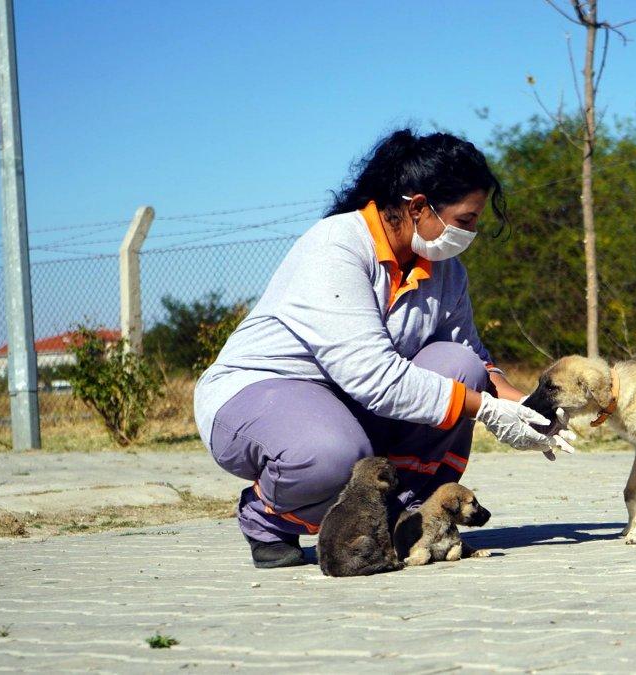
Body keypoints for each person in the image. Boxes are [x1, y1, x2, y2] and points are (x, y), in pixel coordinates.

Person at [194, 129, 574, 568]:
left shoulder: (446, 271)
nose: (472, 232)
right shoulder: (335, 247)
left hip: (352, 402)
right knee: (332, 454)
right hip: (263, 392)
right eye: (466, 219)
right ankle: (266, 518)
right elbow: (374, 377)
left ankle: (401, 519)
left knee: (460, 366)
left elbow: (476, 360)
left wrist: (528, 408)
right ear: (418, 207)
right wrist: (486, 410)